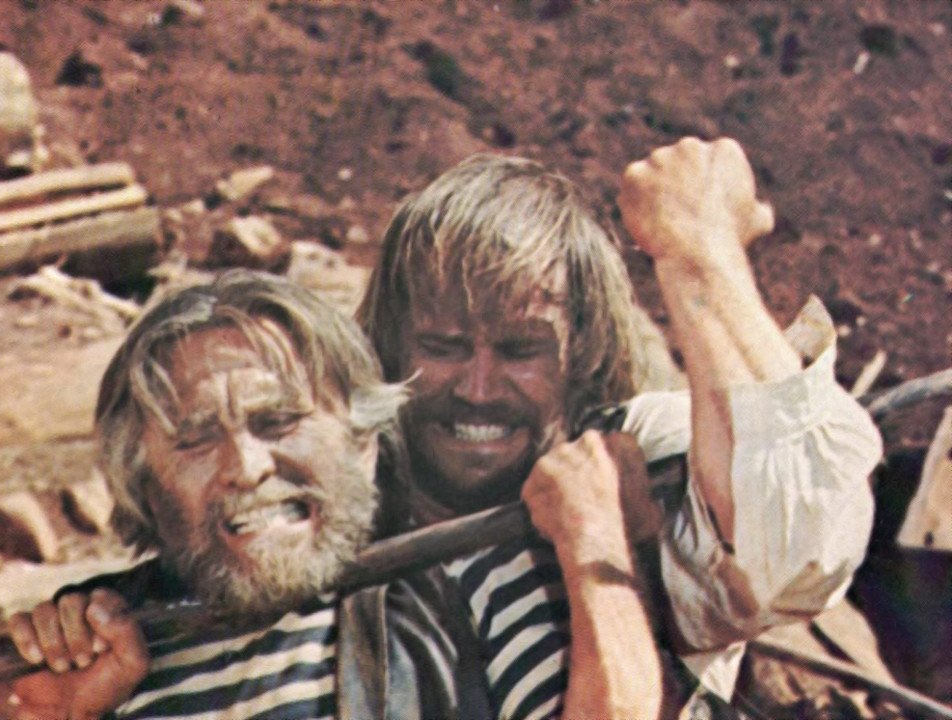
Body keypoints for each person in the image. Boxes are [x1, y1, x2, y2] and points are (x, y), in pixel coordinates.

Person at [0, 271, 663, 720]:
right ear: (143, 485)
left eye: (278, 420)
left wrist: (596, 550)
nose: (245, 467)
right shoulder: (94, 657)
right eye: (193, 439)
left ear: (363, 436)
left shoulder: (471, 589)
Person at [356, 136, 883, 709]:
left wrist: (697, 252)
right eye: (443, 346)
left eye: (521, 350)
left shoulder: (635, 464)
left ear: (581, 350)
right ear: (391, 341)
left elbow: (798, 539)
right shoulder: (341, 497)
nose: (477, 389)